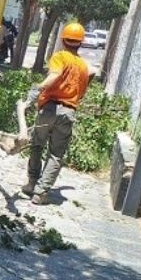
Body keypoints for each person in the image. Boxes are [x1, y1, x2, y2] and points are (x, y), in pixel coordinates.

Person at [21, 22, 90, 205]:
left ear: (63, 40)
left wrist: (37, 89)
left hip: (48, 109)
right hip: (68, 112)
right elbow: (81, 93)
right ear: (80, 43)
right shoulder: (83, 67)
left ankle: (32, 183)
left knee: (37, 145)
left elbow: (54, 75)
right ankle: (41, 193)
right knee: (56, 154)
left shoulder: (59, 57)